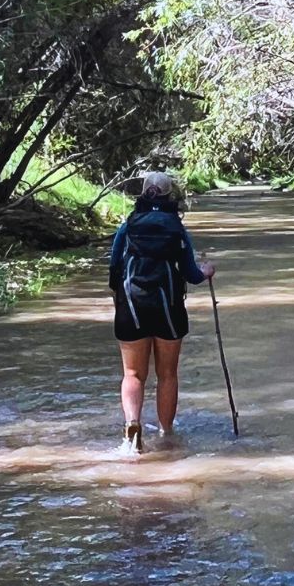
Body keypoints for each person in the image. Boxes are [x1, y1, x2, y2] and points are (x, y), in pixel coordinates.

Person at [108, 171, 216, 452]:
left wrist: (118, 298)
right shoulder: (177, 229)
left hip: (131, 306)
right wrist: (207, 272)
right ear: (170, 196)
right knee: (167, 374)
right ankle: (167, 434)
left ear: (143, 194)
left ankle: (132, 424)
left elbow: (114, 269)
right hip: (168, 306)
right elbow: (191, 274)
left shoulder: (128, 225)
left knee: (132, 374)